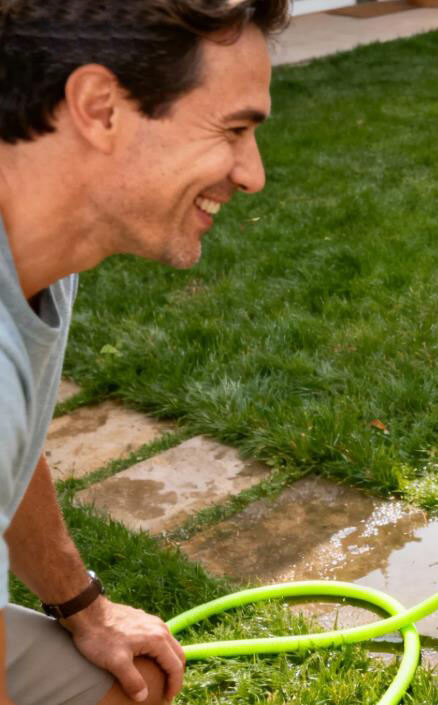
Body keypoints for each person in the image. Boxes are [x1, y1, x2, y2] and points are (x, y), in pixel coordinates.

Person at [0, 1, 287, 703]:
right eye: (234, 128)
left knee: (136, 680)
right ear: (100, 108)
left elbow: (17, 438)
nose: (252, 174)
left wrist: (83, 607)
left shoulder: (45, 247)